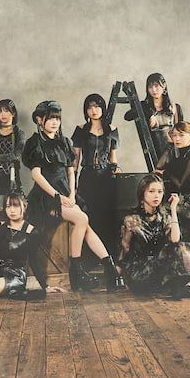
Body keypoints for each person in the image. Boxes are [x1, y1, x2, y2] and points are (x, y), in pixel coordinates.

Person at [22, 100, 125, 292]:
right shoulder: (34, 143)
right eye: (50, 118)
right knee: (82, 219)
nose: (55, 122)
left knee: (85, 224)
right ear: (40, 120)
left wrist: (71, 194)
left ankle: (109, 268)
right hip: (45, 197)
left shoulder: (64, 142)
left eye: (57, 118)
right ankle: (77, 272)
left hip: (65, 193)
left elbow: (70, 171)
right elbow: (37, 175)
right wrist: (57, 197)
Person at [119, 174, 190, 299]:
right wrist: (118, 273)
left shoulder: (164, 216)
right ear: (142, 194)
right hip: (139, 273)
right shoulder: (131, 219)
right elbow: (125, 248)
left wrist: (173, 209)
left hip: (159, 268)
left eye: (160, 192)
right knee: (180, 251)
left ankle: (186, 289)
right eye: (151, 191)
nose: (156, 195)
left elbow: (175, 238)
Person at [72, 93, 120, 250]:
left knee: (106, 214)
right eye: (90, 107)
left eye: (97, 106)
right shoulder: (80, 129)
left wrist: (115, 170)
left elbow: (113, 156)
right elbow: (75, 159)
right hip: (87, 175)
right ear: (86, 110)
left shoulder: (112, 129)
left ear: (103, 108)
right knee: (87, 213)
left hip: (106, 176)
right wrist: (72, 182)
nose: (94, 110)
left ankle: (107, 252)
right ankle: (88, 254)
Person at [124, 72, 184, 159]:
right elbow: (127, 116)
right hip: (155, 153)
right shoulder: (144, 106)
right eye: (150, 87)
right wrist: (149, 114)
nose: (154, 90)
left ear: (164, 86)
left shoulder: (175, 107)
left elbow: (182, 131)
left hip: (174, 152)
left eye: (156, 86)